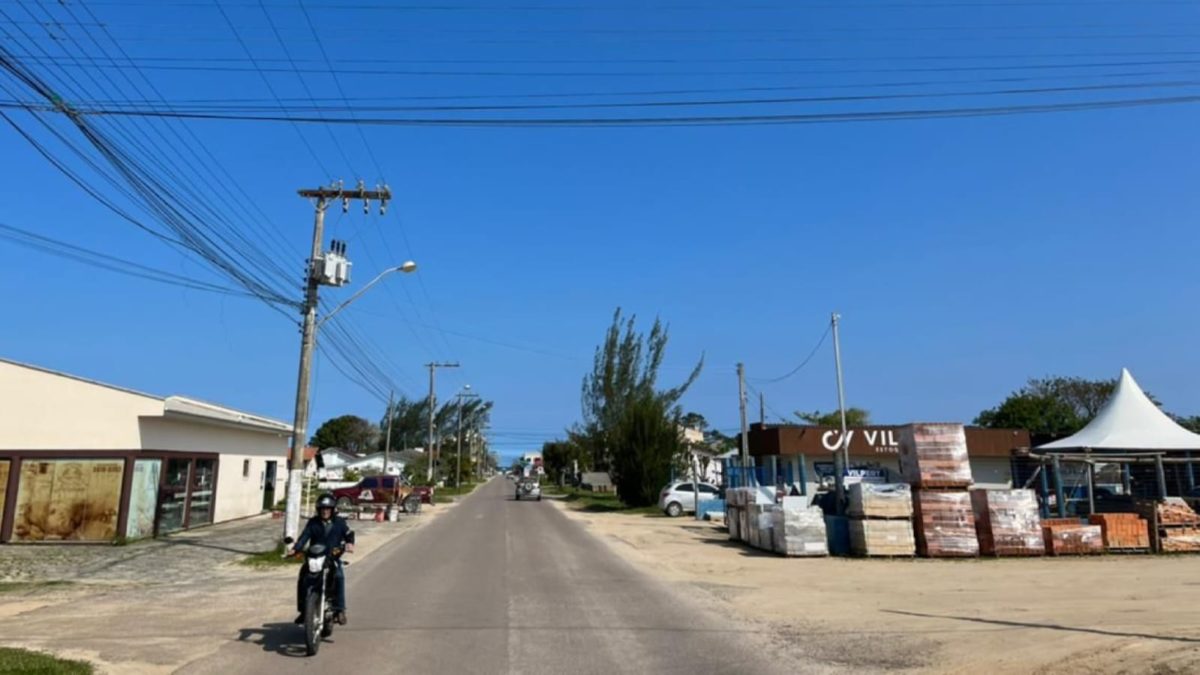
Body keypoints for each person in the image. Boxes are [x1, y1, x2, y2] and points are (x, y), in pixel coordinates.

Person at [292, 493, 355, 625]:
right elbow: (304, 537)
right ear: (318, 509)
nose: (325, 511)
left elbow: (349, 534)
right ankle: (304, 611)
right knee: (303, 578)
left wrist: (349, 543)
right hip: (315, 557)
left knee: (339, 576)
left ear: (332, 510)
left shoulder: (340, 522)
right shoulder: (313, 522)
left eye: (328, 509)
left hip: (333, 556)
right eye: (322, 509)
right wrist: (296, 548)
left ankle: (339, 610)